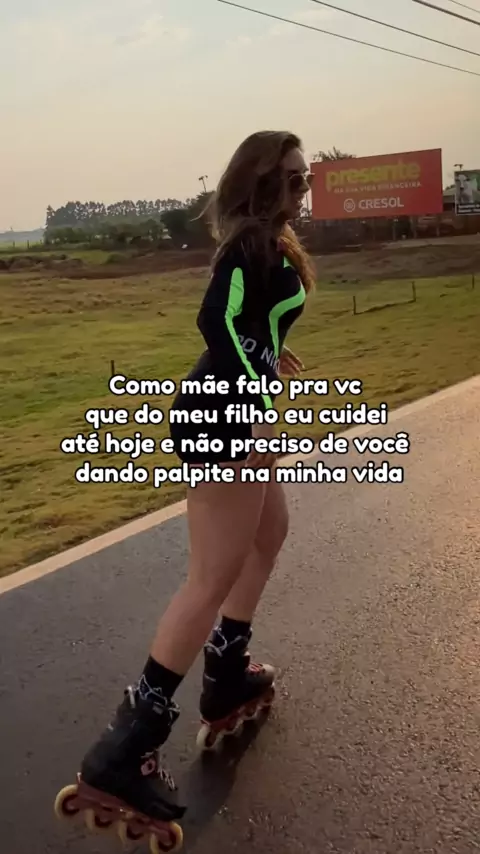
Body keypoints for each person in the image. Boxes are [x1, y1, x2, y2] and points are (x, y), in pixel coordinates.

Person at [58, 130, 316, 848]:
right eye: (293, 180)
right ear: (260, 183)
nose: (304, 191)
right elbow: (215, 322)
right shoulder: (248, 244)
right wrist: (252, 397)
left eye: (306, 179)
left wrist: (269, 352)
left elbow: (245, 325)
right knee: (210, 578)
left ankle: (226, 672)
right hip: (224, 420)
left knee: (269, 535)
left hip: (236, 409)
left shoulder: (271, 244)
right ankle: (125, 747)